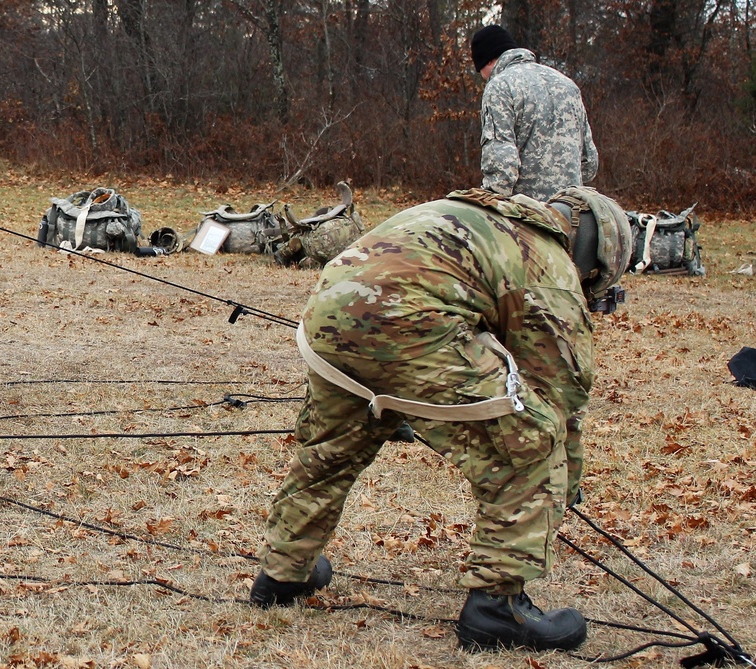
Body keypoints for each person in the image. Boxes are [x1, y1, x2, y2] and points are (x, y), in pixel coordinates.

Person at [249, 186, 632, 653]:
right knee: (533, 440)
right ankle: (497, 609)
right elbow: (561, 391)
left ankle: (284, 573)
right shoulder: (548, 260)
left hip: (327, 319)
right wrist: (564, 480)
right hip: (411, 326)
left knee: (329, 449)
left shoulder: (472, 212)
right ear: (596, 255)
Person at [471, 25, 599, 203]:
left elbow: (501, 167)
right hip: (571, 214)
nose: (483, 77)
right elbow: (589, 163)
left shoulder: (500, 86)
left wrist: (488, 203)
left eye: (480, 70)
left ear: (490, 60)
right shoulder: (567, 84)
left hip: (527, 218)